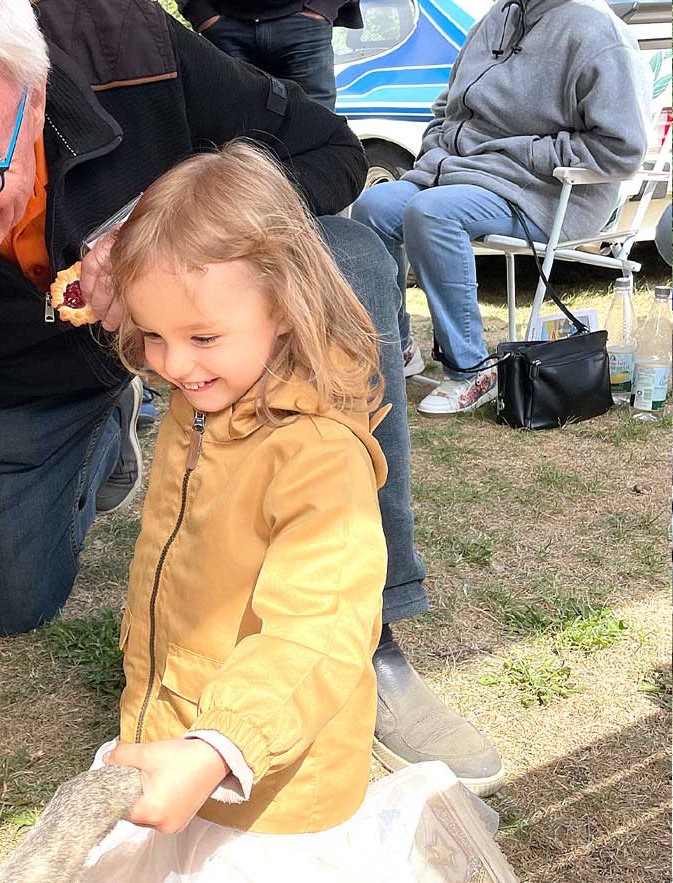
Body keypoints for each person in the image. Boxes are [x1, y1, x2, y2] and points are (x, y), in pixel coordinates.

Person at [0, 0, 502, 793]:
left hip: (192, 324)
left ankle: (373, 641)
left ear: (35, 96)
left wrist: (160, 230)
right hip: (22, 380)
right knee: (6, 603)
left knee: (346, 254)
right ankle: (106, 434)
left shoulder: (130, 41)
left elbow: (330, 152)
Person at [81, 142, 515, 881]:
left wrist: (221, 745)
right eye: (153, 335)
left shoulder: (318, 456)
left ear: (283, 306)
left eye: (200, 337)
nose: (172, 364)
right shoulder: (201, 402)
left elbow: (314, 632)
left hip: (269, 788)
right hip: (183, 730)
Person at [351, 0, 650, 417]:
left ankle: (472, 368)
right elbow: (448, 104)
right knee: (372, 207)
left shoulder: (597, 32)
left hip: (544, 191)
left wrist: (526, 152)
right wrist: (438, 141)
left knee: (431, 212)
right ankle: (396, 348)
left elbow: (622, 149)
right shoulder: (497, 18)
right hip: (459, 171)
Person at [177, 0, 360, 110]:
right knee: (234, 140)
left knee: (319, 133)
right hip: (225, 26)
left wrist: (323, 7)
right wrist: (201, 13)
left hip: (305, 25)